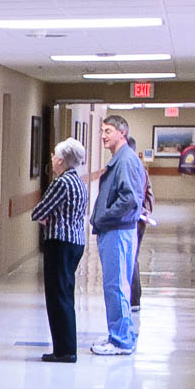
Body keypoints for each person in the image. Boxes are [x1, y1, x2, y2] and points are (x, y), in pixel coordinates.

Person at [89, 114, 145, 356]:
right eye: (102, 131)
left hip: (117, 230)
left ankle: (121, 340)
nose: (103, 135)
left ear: (122, 133)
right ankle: (120, 334)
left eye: (108, 131)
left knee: (117, 286)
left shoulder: (125, 161)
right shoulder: (119, 160)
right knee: (115, 285)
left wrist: (105, 216)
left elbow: (130, 199)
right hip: (114, 230)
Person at [30, 137, 88, 363]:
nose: (52, 160)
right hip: (75, 242)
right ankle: (66, 347)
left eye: (55, 156)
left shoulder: (61, 183)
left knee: (57, 297)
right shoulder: (79, 183)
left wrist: (46, 217)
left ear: (62, 160)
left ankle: (64, 351)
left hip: (59, 243)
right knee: (65, 294)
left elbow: (39, 212)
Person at [128, 136, 155, 311]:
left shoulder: (134, 169)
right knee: (132, 258)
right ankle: (133, 299)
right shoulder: (140, 169)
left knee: (131, 258)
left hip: (134, 220)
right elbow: (150, 197)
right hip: (139, 218)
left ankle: (133, 300)